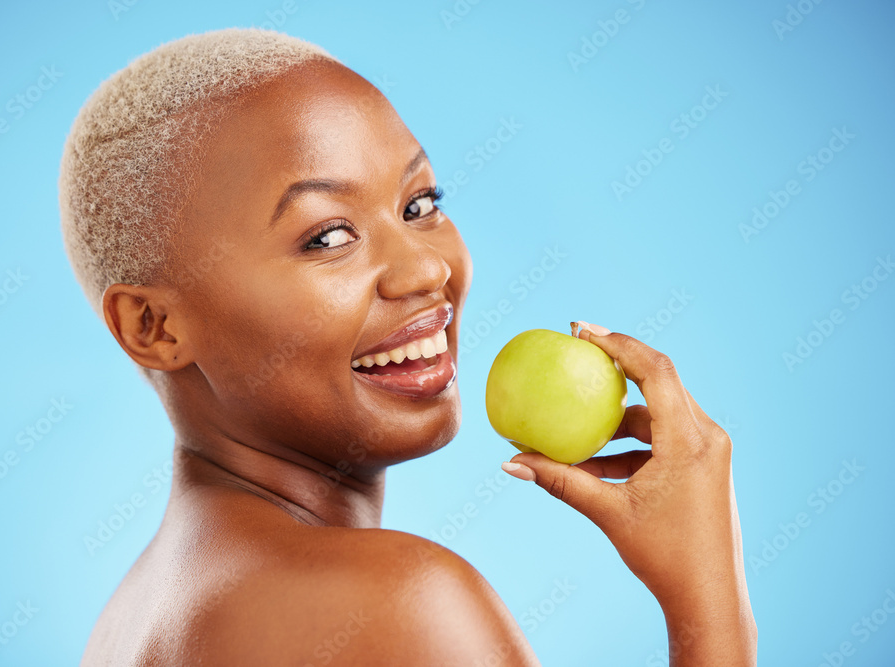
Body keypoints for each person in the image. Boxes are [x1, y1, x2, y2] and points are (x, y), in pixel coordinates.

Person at [59, 27, 757, 666]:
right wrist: (708, 597)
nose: (428, 269)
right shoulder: (400, 604)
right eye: (327, 236)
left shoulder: (133, 618)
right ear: (153, 327)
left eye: (419, 204)